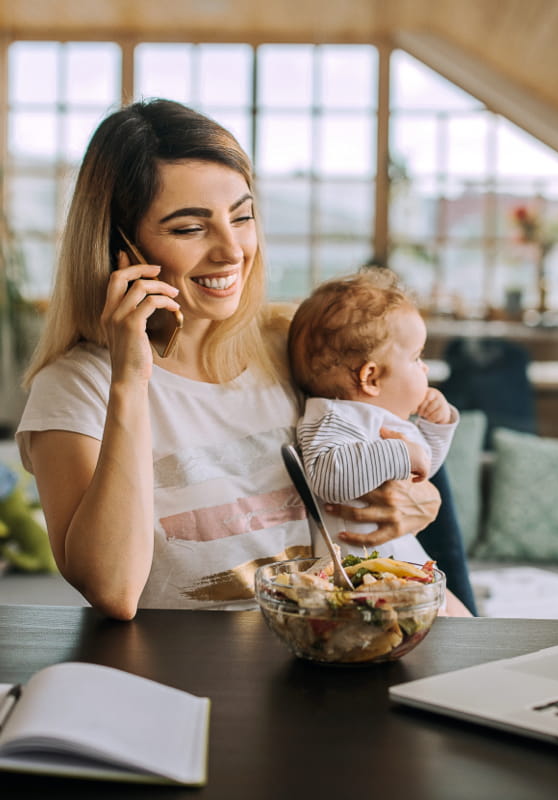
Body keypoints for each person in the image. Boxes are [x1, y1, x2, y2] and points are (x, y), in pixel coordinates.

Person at [14, 98, 459, 620]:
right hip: (219, 679)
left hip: (356, 645)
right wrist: (131, 381)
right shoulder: (75, 388)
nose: (231, 251)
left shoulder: (292, 343)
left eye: (242, 217)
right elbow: (113, 590)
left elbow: (399, 451)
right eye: (189, 228)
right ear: (121, 247)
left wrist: (420, 501)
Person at [287, 270, 459, 570]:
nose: (425, 369)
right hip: (354, 572)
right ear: (371, 377)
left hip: (392, 561)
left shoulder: (381, 417)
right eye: (416, 358)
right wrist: (402, 452)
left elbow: (422, 470)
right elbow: (327, 477)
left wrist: (436, 426)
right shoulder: (333, 416)